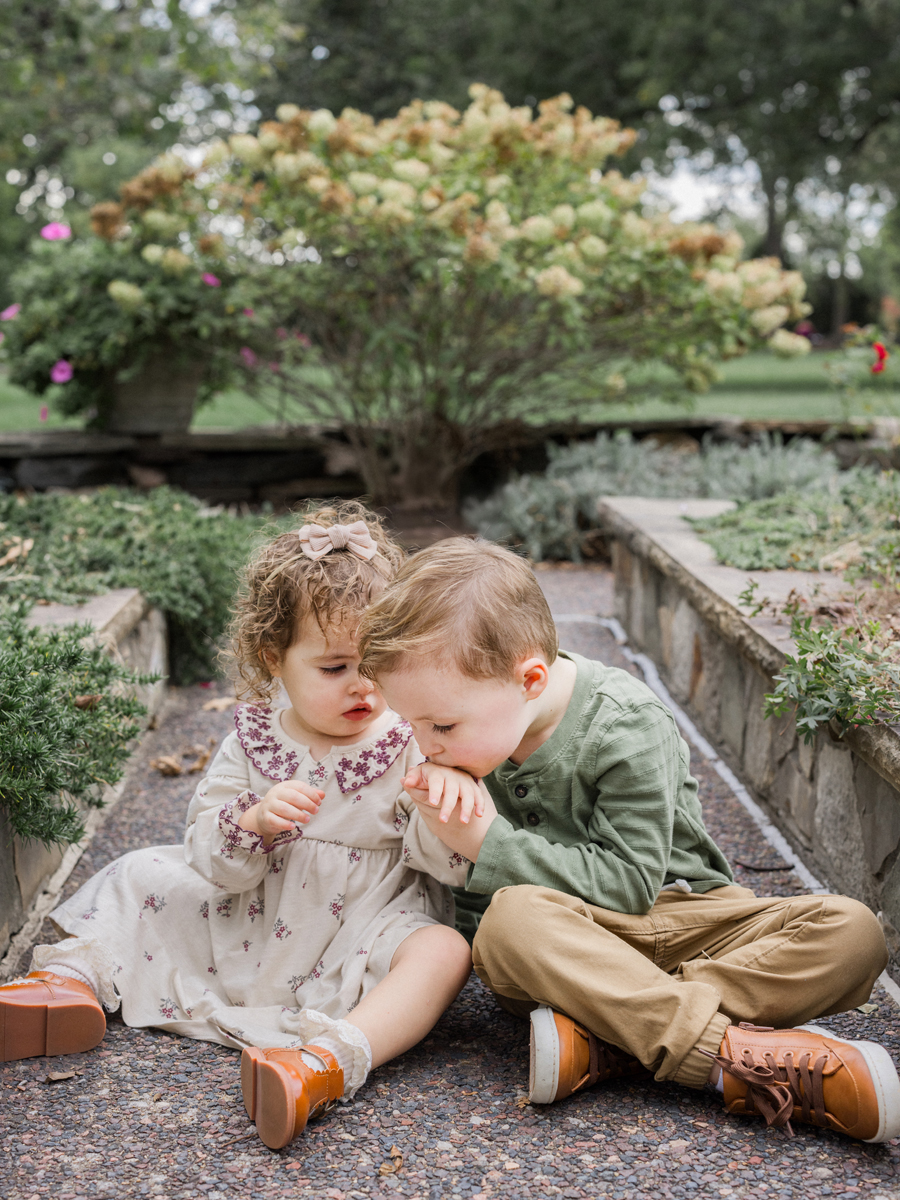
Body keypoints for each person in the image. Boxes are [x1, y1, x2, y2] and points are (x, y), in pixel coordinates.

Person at [358, 536, 900, 1143]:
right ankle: (731, 1060)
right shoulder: (460, 734)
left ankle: (607, 1041)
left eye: (440, 726)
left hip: (679, 916)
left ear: (530, 679)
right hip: (563, 948)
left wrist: (487, 842)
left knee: (854, 932)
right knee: (509, 924)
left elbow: (630, 887)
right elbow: (483, 917)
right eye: (411, 723)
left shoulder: (626, 721)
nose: (424, 743)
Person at [0, 504, 480, 1150]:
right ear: (274, 658)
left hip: (361, 934)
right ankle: (71, 981)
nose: (362, 685)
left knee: (444, 952)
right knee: (139, 873)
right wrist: (251, 822)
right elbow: (207, 849)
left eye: (377, 662)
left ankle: (327, 1063)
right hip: (251, 919)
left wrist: (441, 805)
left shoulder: (409, 738)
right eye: (335, 668)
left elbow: (445, 865)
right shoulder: (256, 739)